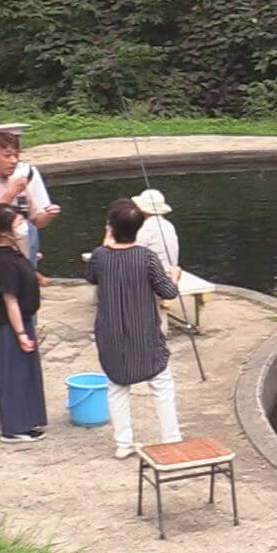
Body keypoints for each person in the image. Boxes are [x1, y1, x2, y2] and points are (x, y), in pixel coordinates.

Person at [86, 198, 184, 459]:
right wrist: (174, 276)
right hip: (145, 334)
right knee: (161, 383)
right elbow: (168, 292)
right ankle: (171, 439)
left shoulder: (99, 257)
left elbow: (91, 277)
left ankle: (123, 442)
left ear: (110, 227)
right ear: (139, 227)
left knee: (117, 386)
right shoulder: (147, 257)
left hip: (110, 335)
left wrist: (104, 243)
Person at [0, 203, 48, 443]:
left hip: (13, 322)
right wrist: (21, 333)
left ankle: (26, 420)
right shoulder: (1, 261)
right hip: (6, 325)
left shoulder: (3, 252)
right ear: (3, 231)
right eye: (17, 223)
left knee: (24, 373)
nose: (22, 227)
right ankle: (14, 427)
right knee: (13, 375)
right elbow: (10, 300)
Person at [0, 130, 59, 276]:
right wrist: (11, 193)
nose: (14, 161)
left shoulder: (17, 183)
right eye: (7, 156)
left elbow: (36, 221)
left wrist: (49, 214)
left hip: (22, 263)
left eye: (16, 155)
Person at [130, 188, 181, 273]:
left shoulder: (146, 228)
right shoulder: (168, 225)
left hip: (155, 275)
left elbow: (132, 253)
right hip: (169, 271)